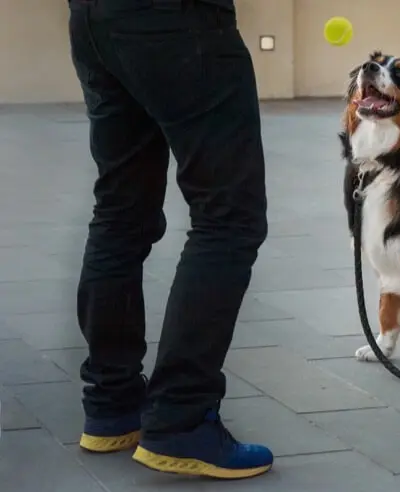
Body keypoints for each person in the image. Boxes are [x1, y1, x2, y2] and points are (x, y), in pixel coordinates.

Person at [68, 0, 273, 479]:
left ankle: (112, 404)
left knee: (120, 211)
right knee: (229, 218)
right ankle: (181, 419)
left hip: (95, 20)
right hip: (181, 22)